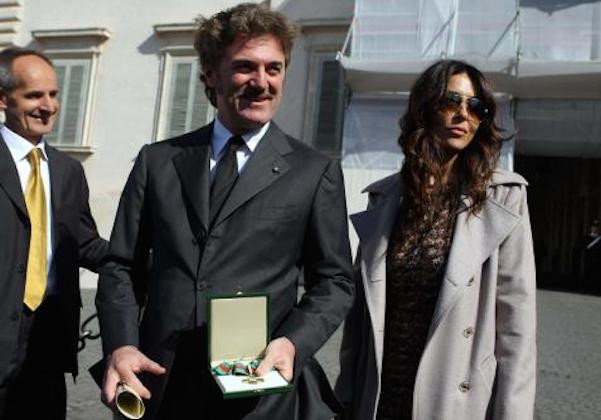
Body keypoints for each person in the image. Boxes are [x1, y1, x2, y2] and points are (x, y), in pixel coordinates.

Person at [95, 3, 353, 419]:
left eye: (274, 68)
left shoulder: (314, 171)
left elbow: (334, 282)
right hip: (162, 385)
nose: (262, 82)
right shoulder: (158, 162)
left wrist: (293, 342)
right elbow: (121, 266)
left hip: (258, 393)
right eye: (245, 67)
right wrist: (121, 345)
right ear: (211, 74)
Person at [335, 60, 537, 420]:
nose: (463, 114)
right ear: (424, 108)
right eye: (451, 101)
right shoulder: (385, 199)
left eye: (476, 107)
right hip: (382, 398)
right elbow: (360, 322)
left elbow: (516, 329)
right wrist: (346, 398)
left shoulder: (503, 197)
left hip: (455, 402)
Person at [0, 47, 108, 419]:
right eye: (34, 95)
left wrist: (144, 260)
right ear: (3, 99)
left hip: (47, 342)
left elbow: (85, 243)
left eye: (53, 94)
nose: (48, 106)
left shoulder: (67, 171)